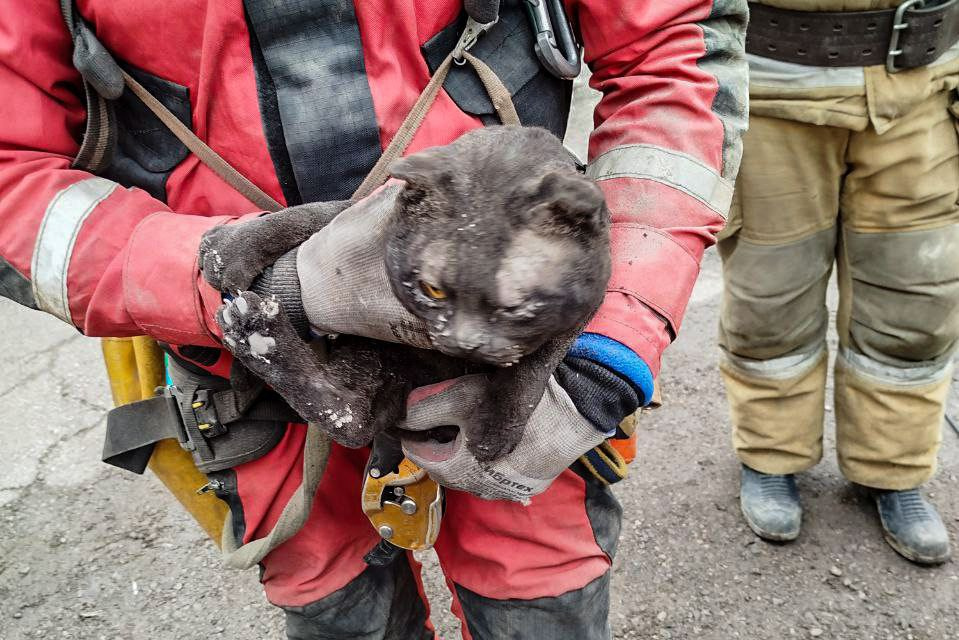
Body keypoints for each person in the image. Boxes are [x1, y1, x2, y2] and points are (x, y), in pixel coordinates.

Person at [0, 1, 747, 637]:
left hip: (525, 355)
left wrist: (612, 341)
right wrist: (249, 284)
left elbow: (672, 54)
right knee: (335, 603)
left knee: (541, 591)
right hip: (241, 368)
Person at [721, 0, 958, 564]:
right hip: (771, 91)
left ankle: (892, 466)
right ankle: (771, 455)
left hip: (924, 86)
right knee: (770, 302)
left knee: (915, 304)